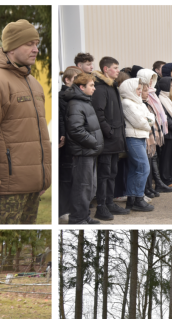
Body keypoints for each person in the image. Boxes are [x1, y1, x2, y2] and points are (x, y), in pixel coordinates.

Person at [0, 20, 51, 224]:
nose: (35, 49)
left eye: (36, 43)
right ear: (11, 47)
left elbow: (39, 134)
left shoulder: (33, 83)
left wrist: (43, 177)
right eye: (29, 44)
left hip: (32, 187)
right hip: (6, 190)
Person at [90, 56, 129, 221]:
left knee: (112, 172)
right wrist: (109, 132)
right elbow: (98, 113)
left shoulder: (112, 86)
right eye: (115, 67)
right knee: (104, 173)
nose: (118, 70)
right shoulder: (100, 88)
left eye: (118, 67)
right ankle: (101, 207)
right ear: (106, 69)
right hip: (108, 140)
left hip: (116, 139)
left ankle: (109, 202)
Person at [65, 72, 102, 224]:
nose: (94, 89)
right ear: (82, 87)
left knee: (89, 187)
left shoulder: (85, 102)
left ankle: (84, 216)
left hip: (89, 152)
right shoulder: (76, 104)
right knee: (82, 187)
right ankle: (77, 218)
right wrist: (93, 142)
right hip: (83, 152)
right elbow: (75, 129)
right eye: (91, 86)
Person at [119, 77, 155, 212]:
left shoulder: (139, 103)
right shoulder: (127, 103)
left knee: (135, 170)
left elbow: (151, 117)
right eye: (138, 89)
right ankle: (138, 198)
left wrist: (147, 121)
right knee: (143, 167)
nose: (140, 92)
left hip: (141, 137)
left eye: (141, 89)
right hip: (133, 138)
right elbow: (140, 122)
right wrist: (147, 122)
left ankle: (132, 199)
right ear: (130, 89)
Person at [139, 69, 172, 198]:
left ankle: (155, 183)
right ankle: (147, 187)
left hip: (155, 130)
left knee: (153, 158)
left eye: (153, 79)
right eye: (149, 79)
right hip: (147, 132)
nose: (152, 82)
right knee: (148, 160)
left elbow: (157, 113)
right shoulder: (145, 97)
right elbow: (149, 117)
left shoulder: (152, 94)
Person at [58, 66, 82, 219]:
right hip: (65, 142)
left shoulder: (76, 97)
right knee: (66, 177)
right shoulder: (62, 97)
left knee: (74, 177)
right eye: (75, 79)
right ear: (67, 80)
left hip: (75, 142)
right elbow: (62, 118)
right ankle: (64, 211)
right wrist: (62, 134)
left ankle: (74, 208)